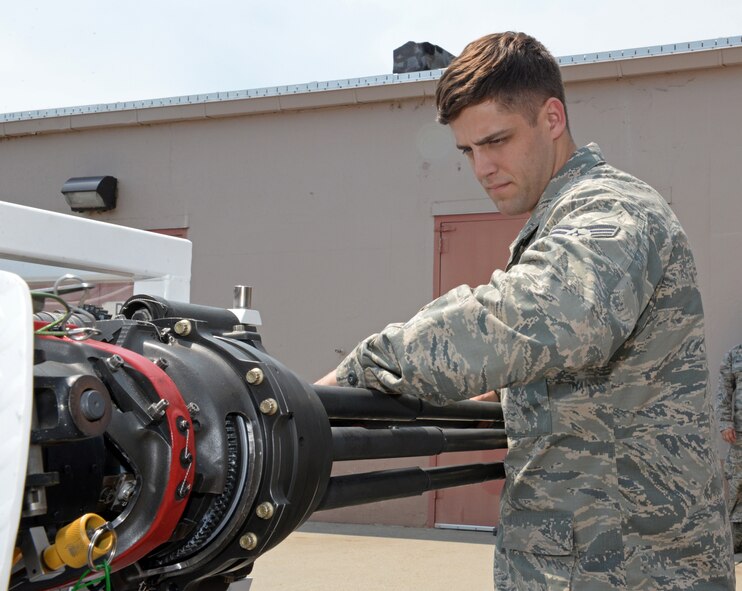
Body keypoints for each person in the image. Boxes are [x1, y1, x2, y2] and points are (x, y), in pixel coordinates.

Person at [317, 31, 733, 589]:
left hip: (633, 569)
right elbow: (562, 377)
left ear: (552, 118)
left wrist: (349, 378)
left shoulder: (614, 210)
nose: (482, 167)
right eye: (469, 151)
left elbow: (538, 318)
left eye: (497, 140)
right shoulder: (558, 223)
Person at [717, 343, 742, 553]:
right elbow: (723, 393)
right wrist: (725, 423)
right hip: (740, 438)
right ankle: (736, 546)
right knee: (737, 487)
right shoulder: (734, 355)